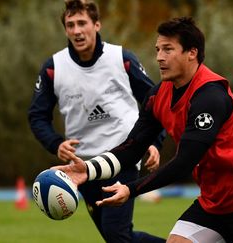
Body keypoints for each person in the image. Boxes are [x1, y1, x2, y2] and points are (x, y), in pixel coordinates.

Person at [54, 17, 233, 243]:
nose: (159, 57)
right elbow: (132, 148)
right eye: (157, 49)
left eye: (168, 49)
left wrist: (130, 189)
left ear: (192, 53)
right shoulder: (157, 96)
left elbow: (183, 164)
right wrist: (87, 169)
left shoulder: (210, 96)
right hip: (214, 203)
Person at [28, 0, 166, 242]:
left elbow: (156, 101)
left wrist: (155, 141)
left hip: (123, 157)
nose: (77, 30)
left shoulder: (121, 58)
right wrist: (55, 143)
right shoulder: (53, 68)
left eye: (82, 23)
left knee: (116, 233)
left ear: (97, 25)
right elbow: (37, 116)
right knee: (118, 237)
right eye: (70, 25)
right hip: (83, 167)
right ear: (65, 30)